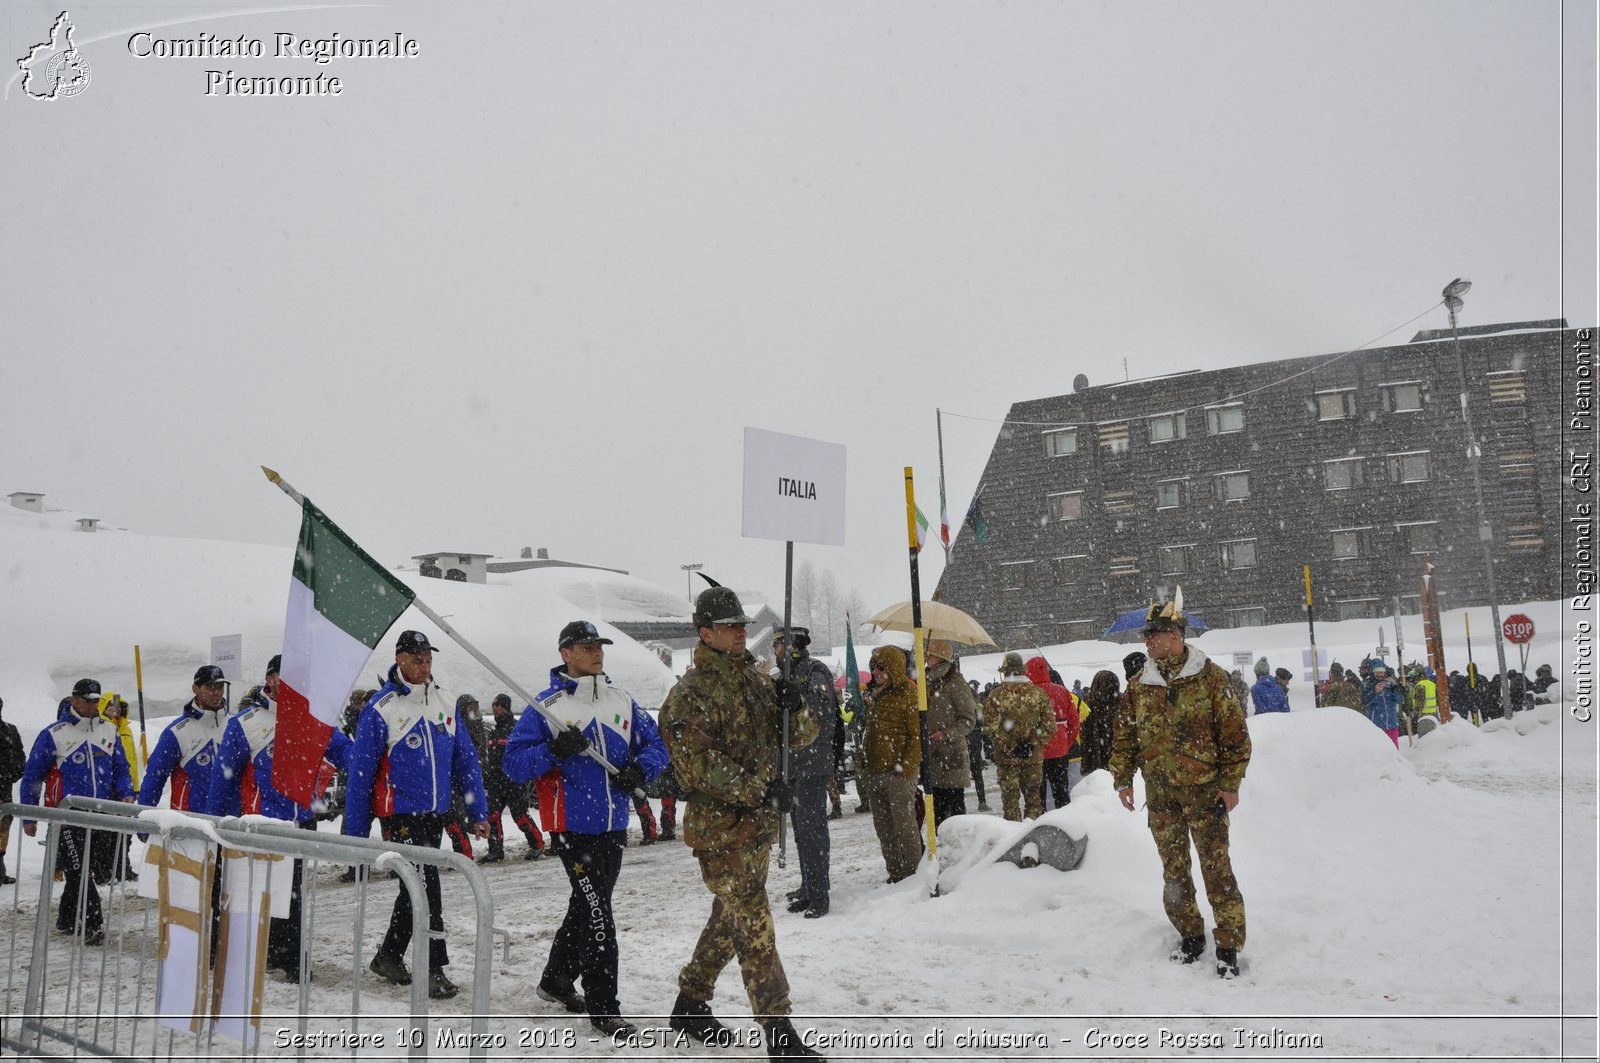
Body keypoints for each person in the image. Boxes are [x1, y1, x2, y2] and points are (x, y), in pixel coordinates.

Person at [657, 587, 825, 1061]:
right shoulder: (689, 695)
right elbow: (697, 765)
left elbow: (803, 737)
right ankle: (779, 1032)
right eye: (730, 626)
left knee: (730, 919)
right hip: (720, 831)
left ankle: (690, 1002)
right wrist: (759, 790)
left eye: (741, 625)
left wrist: (796, 704)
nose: (740, 632)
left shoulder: (758, 683)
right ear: (705, 633)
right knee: (753, 922)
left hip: (757, 829)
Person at [503, 620, 668, 1038]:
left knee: (585, 907)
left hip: (612, 825)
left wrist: (637, 770)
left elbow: (657, 748)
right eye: (587, 646)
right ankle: (604, 1007)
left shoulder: (623, 701)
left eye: (599, 646)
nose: (597, 652)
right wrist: (554, 749)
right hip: (569, 830)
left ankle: (555, 980)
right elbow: (514, 765)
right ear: (566, 654)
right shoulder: (546, 707)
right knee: (599, 915)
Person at [343, 630, 490, 1000]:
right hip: (399, 814)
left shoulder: (446, 701)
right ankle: (432, 967)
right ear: (400, 660)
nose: (424, 666)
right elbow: (361, 774)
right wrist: (354, 836)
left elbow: (466, 761)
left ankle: (389, 956)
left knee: (415, 890)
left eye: (428, 659)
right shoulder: (381, 708)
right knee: (428, 890)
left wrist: (478, 811)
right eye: (417, 659)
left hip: (433, 815)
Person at [1110, 597, 1252, 978]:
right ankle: (1190, 935)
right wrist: (1122, 778)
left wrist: (1230, 783)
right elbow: (1124, 735)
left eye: (1152, 635)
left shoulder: (1210, 678)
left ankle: (1228, 945)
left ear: (1174, 636)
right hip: (1161, 796)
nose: (1146, 642)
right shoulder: (1141, 684)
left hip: (1205, 795)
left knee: (1216, 870)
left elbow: (1235, 737)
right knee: (1174, 871)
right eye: (1145, 635)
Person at [210, 654, 350, 982]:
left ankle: (290, 958)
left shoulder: (313, 718)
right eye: (282, 677)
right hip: (261, 825)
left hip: (300, 822)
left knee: (292, 893)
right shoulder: (244, 723)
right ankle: (249, 954)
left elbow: (345, 751)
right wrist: (213, 824)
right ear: (269, 679)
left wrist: (367, 763)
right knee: (256, 893)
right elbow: (223, 778)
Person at [20, 679, 136, 943]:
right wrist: (29, 814)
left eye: (96, 700)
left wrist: (126, 792)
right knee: (78, 869)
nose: (93, 705)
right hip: (67, 816)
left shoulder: (109, 729)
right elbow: (33, 775)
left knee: (83, 869)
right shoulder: (54, 733)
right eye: (87, 700)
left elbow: (121, 767)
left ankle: (66, 917)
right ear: (74, 700)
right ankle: (92, 923)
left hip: (100, 814)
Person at [772, 627, 837, 919]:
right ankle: (808, 886)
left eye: (777, 645)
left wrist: (799, 702)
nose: (774, 651)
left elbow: (823, 712)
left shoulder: (814, 671)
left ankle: (820, 895)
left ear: (791, 645)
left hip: (812, 763)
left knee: (813, 832)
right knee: (800, 832)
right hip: (792, 765)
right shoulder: (784, 676)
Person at [861, 645, 923, 885]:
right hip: (875, 772)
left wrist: (905, 770)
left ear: (893, 669)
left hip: (898, 775)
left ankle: (913, 874)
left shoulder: (908, 692)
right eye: (873, 667)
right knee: (884, 828)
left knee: (905, 827)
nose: (875, 672)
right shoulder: (877, 694)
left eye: (881, 668)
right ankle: (895, 873)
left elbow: (916, 737)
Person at [137, 665, 230, 814]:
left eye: (220, 687)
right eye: (210, 687)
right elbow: (154, 779)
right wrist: (143, 825)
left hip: (229, 824)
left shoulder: (235, 725)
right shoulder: (176, 732)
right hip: (190, 826)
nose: (216, 693)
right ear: (195, 689)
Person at [983, 652, 1055, 822]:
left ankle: (1013, 839)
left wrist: (1011, 746)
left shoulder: (996, 696)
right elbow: (1050, 726)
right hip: (1033, 758)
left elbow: (991, 728)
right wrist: (1032, 744)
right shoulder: (1039, 694)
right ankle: (1033, 837)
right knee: (1034, 801)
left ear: (1006, 671)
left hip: (1007, 760)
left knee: (1010, 805)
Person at [482, 693, 546, 862]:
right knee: (492, 815)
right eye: (494, 705)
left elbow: (524, 753)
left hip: (514, 780)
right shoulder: (493, 733)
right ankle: (495, 851)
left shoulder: (516, 729)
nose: (495, 709)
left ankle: (537, 844)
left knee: (519, 816)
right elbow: (490, 758)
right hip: (496, 782)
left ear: (505, 708)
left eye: (498, 706)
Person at [923, 640, 978, 826]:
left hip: (951, 756)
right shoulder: (925, 681)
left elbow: (968, 719)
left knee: (955, 814)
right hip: (931, 755)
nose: (925, 657)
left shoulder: (955, 682)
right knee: (936, 811)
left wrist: (947, 734)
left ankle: (958, 850)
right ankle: (939, 849)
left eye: (929, 654)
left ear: (941, 657)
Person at [1027, 657, 1079, 809]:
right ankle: (1066, 825)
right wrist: (1066, 743)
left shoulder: (1029, 694)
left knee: (1038, 796)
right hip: (1059, 751)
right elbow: (1074, 722)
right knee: (1061, 793)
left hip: (1037, 752)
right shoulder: (1061, 691)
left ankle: (1040, 826)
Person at [0, 695, 27, 885]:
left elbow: (19, 761)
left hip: (5, 791)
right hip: (4, 788)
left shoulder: (10, 730)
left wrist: (8, 776)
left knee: (3, 830)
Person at [1080, 670, 1121, 777]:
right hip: (1117, 748)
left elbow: (1083, 728)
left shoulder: (1089, 700)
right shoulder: (1120, 701)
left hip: (1094, 750)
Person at [1361, 659, 1405, 748]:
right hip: (1376, 725)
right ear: (1372, 672)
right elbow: (1364, 701)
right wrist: (1375, 692)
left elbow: (1399, 700)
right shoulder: (1367, 684)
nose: (1379, 675)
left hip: (1392, 723)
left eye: (1381, 672)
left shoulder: (1389, 683)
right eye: (1377, 672)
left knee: (1394, 749)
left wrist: (1394, 690)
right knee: (1379, 750)